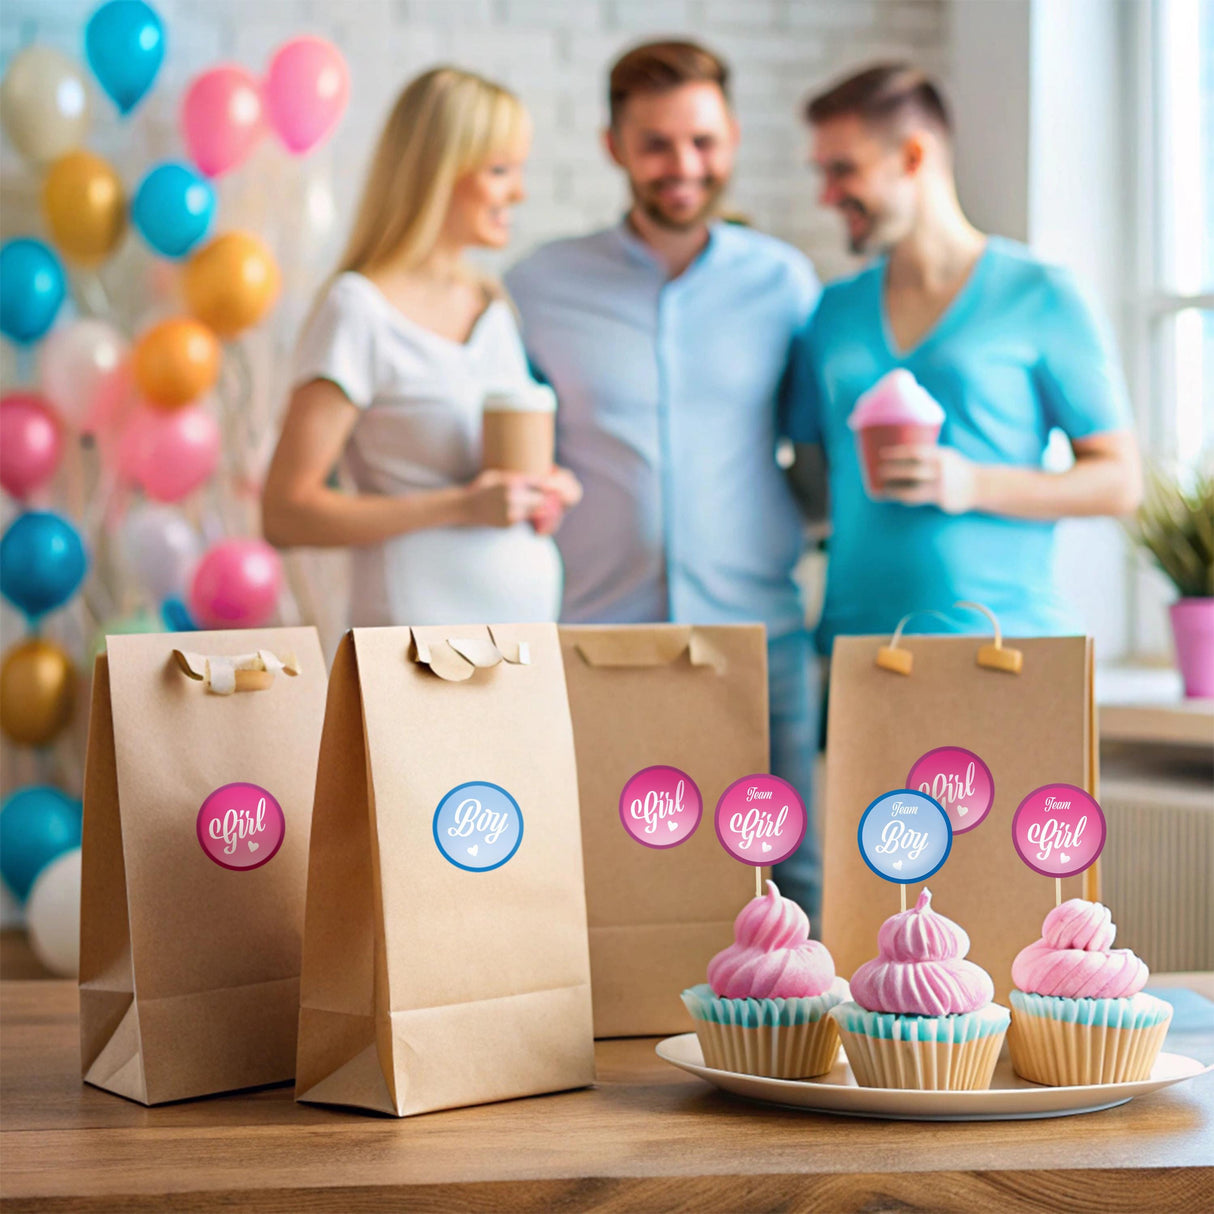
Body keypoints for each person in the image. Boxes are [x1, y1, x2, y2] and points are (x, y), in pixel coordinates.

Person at [505, 41, 824, 921]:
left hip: (760, 641)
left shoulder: (785, 284)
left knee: (789, 881)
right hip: (597, 642)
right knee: (601, 884)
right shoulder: (538, 287)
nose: (684, 166)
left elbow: (813, 449)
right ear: (612, 146)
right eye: (655, 144)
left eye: (703, 141)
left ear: (734, 138)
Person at [795, 64, 1143, 650]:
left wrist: (973, 483)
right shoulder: (833, 311)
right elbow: (810, 481)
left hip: (1002, 650)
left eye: (843, 170)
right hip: (858, 651)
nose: (826, 195)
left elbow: (1119, 483)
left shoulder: (1042, 296)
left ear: (912, 156)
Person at [262, 67, 580, 627]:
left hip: (521, 637)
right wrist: (459, 507)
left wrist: (540, 492)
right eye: (500, 170)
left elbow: (492, 480)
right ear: (438, 173)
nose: (520, 192)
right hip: (414, 640)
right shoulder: (358, 310)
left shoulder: (491, 305)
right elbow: (286, 514)